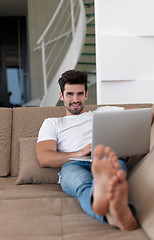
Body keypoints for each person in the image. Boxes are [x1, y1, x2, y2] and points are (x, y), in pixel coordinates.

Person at [36, 70, 139, 230]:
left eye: (79, 94)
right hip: (73, 164)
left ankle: (108, 209)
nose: (75, 99)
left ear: (86, 95)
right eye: (70, 94)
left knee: (108, 178)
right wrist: (80, 152)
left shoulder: (103, 112)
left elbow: (144, 116)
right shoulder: (53, 123)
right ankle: (116, 210)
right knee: (82, 183)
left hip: (105, 159)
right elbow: (44, 158)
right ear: (61, 95)